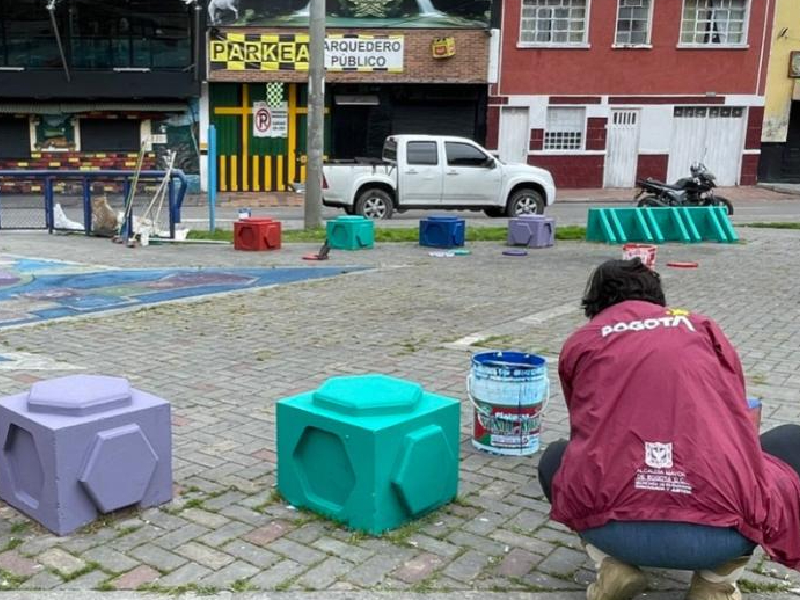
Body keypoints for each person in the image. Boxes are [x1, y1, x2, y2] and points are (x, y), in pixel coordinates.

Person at [537, 258, 800, 600]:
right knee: (790, 441)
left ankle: (610, 566)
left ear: (595, 302)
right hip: (724, 532)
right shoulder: (701, 327)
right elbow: (735, 407)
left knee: (556, 458)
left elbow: (583, 425)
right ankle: (716, 580)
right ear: (657, 298)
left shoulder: (583, 341)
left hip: (612, 529)